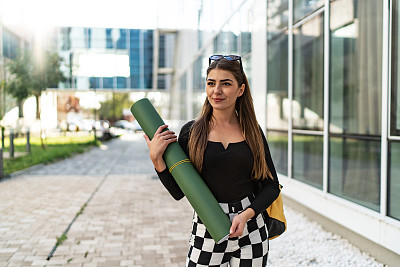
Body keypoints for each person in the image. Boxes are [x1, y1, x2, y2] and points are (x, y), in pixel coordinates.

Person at [144, 55, 280, 267]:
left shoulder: (253, 132)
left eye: (226, 84)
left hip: (251, 229)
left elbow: (271, 186)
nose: (216, 91)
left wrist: (246, 216)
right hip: (207, 225)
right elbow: (180, 192)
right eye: (211, 83)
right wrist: (156, 159)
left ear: (240, 90)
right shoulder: (192, 132)